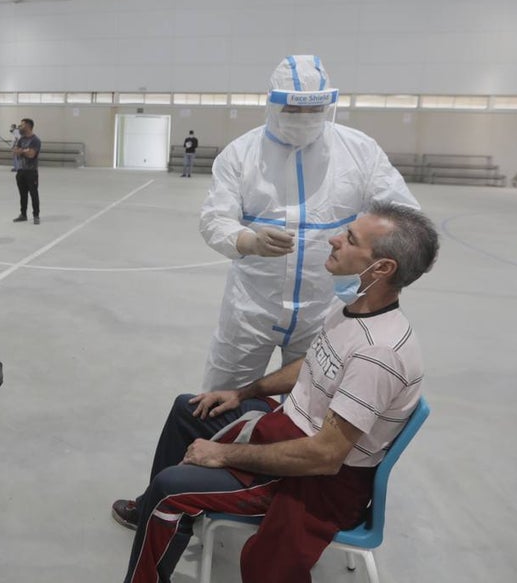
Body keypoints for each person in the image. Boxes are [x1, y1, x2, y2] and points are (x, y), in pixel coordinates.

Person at [114, 203, 439, 583]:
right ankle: (156, 511)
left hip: (313, 477)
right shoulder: (354, 307)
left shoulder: (378, 354)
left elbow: (325, 457)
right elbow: (312, 364)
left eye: (350, 239)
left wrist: (223, 454)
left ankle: (159, 521)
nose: (335, 239)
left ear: (382, 268)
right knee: (190, 409)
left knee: (171, 490)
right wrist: (242, 392)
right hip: (291, 425)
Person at [199, 55, 417, 391]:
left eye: (314, 110)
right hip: (251, 308)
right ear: (272, 103)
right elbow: (215, 218)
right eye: (294, 110)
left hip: (324, 308)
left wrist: (367, 268)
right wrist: (249, 241)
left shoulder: (359, 151)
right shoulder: (240, 153)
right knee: (222, 397)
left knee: (306, 403)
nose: (304, 119)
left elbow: (402, 218)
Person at [11, 118, 42, 224]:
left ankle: (36, 215)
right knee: (22, 194)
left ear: (28, 126)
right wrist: (24, 151)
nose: (20, 126)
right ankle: (23, 214)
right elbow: (15, 151)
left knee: (33, 194)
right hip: (21, 171)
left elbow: (31, 154)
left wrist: (22, 151)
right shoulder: (21, 139)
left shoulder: (35, 140)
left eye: (22, 125)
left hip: (31, 171)